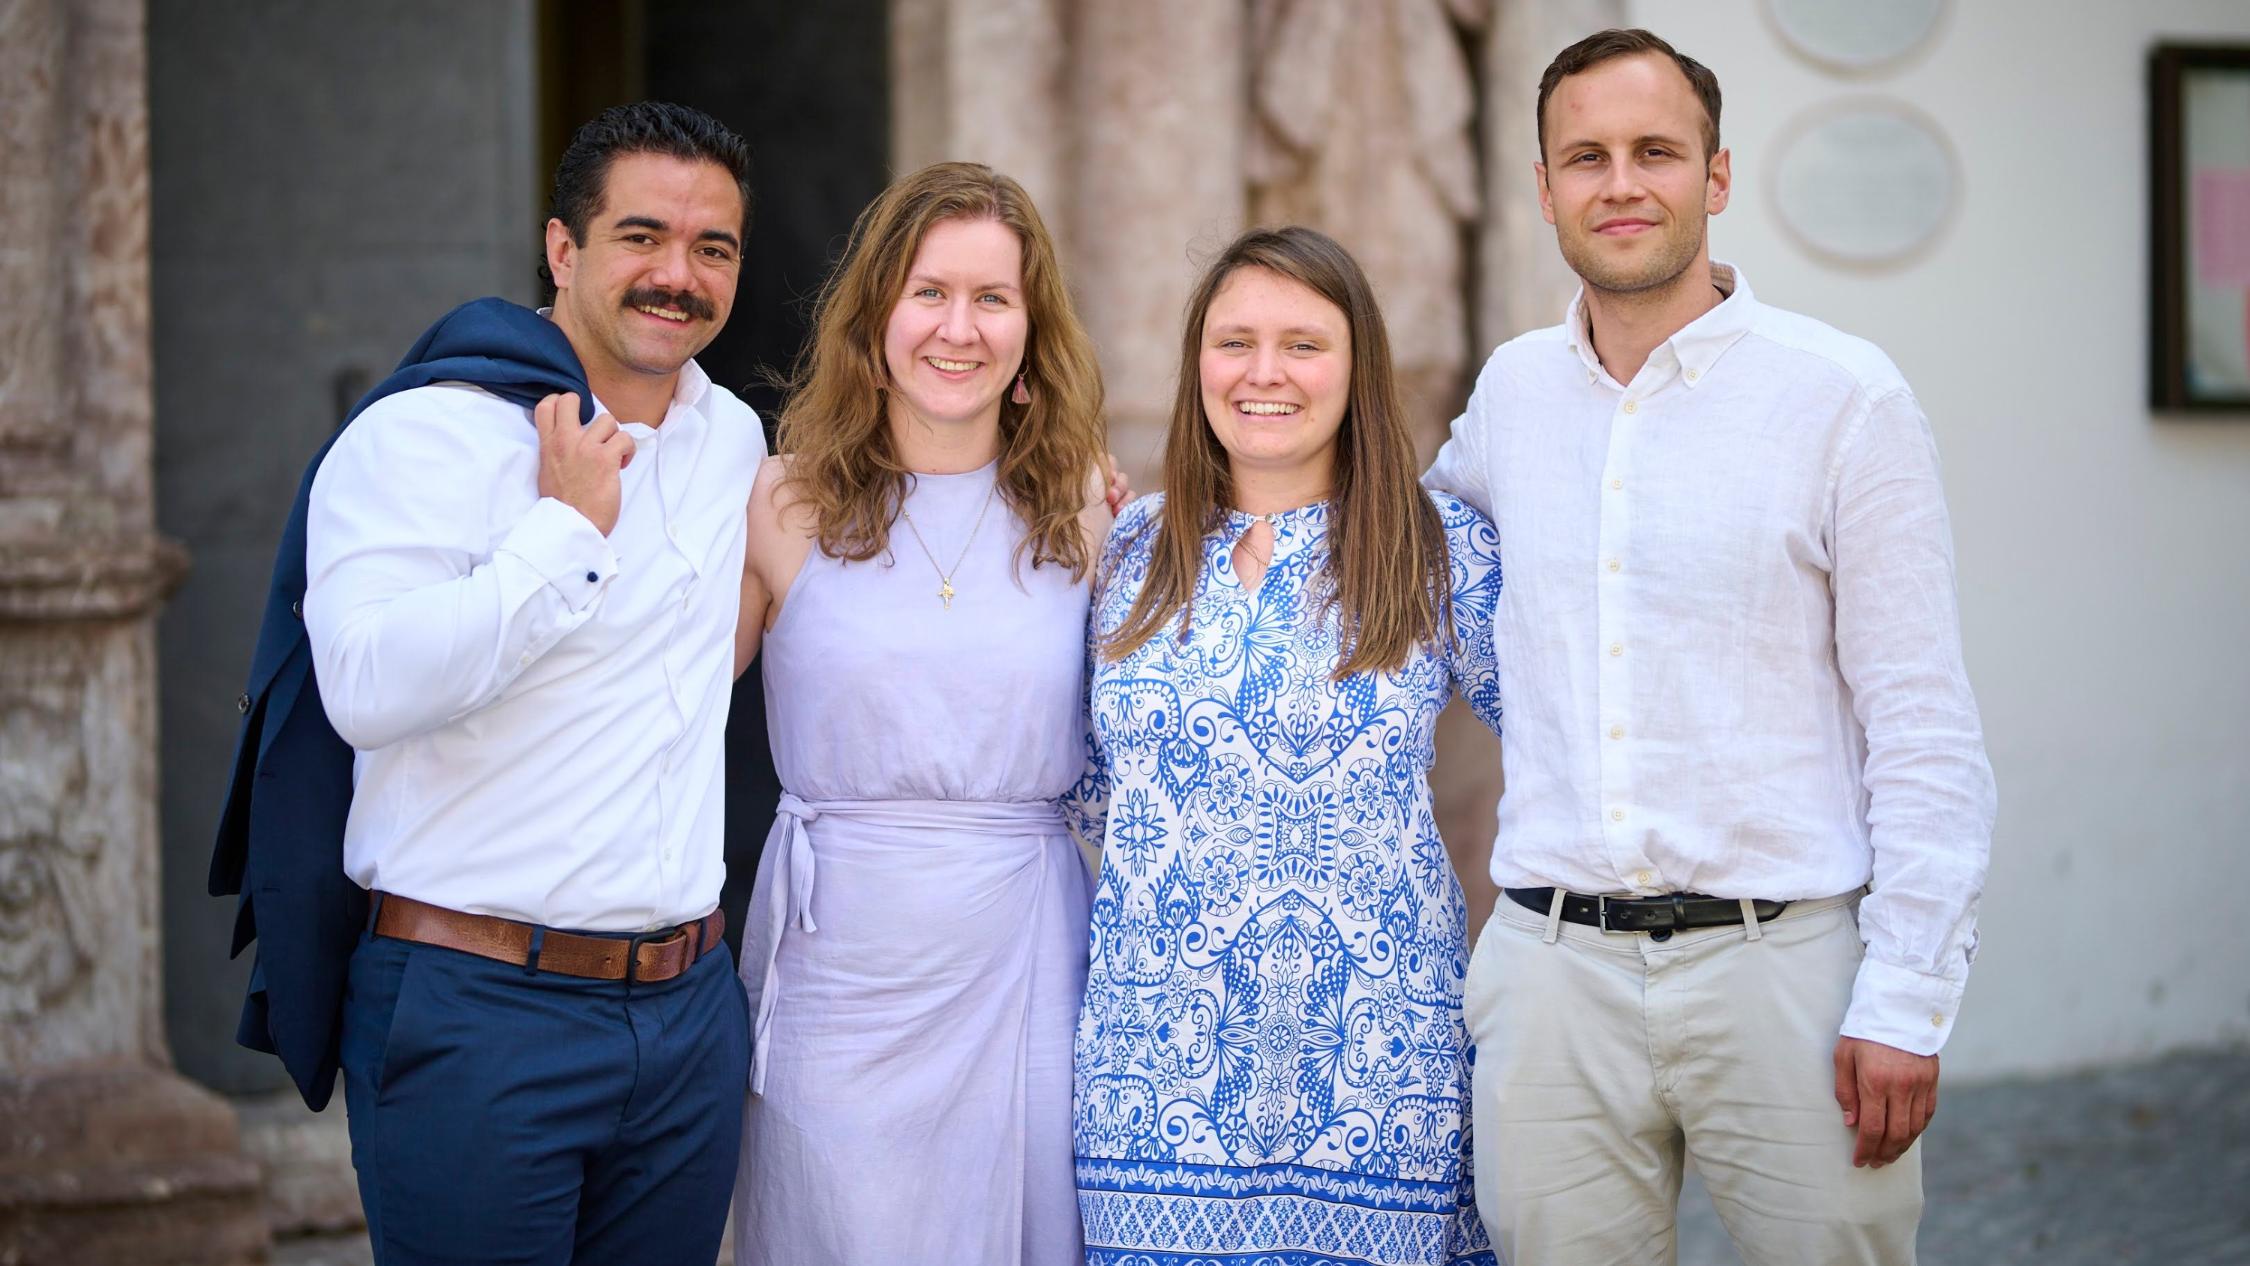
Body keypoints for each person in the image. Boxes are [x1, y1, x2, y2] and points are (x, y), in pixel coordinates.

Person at [1424, 28, 1997, 1264]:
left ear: (1716, 177)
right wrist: (1136, 523)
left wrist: (1906, 996)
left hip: (1783, 967)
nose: (1619, 183)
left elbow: (1924, 724)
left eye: (1654, 152)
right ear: (1544, 190)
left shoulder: (1845, 399)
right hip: (1551, 972)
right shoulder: (1513, 395)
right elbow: (1376, 537)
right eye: (1586, 156)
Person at [288, 103, 762, 1263]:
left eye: (714, 248)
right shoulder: (427, 437)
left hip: (688, 1011)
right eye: (641, 236)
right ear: (562, 250)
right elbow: (363, 687)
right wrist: (559, 536)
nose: (678, 276)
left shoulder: (734, 441)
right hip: (477, 1005)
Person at [1072, 226, 1504, 1266]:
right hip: (1151, 1081)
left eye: (1303, 344)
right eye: (1235, 342)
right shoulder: (1125, 546)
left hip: (1381, 1076)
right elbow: (1079, 786)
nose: (1265, 373)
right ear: (1197, 367)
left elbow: (1570, 756)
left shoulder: (1439, 546)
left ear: (1356, 369)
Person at [728, 161, 1111, 1265]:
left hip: (1021, 949)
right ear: (876, 317)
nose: (960, 328)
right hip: (837, 959)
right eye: (930, 293)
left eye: (993, 298)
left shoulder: (1082, 507)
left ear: (1032, 332)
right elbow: (659, 713)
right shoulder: (784, 498)